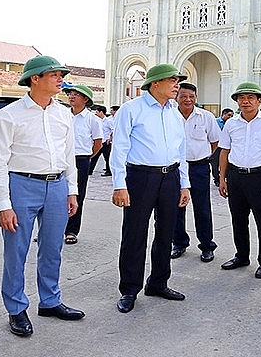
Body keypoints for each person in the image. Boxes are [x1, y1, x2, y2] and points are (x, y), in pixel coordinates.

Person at [0, 56, 84, 338]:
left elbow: (69, 155)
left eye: (61, 75)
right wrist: (4, 205)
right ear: (34, 78)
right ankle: (16, 307)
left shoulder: (64, 113)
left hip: (56, 185)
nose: (61, 80)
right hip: (21, 184)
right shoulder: (8, 115)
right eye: (54, 75)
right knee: (16, 250)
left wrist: (72, 189)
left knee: (52, 247)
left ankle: (50, 300)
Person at [111, 63, 191, 313]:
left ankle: (158, 282)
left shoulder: (174, 113)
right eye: (172, 80)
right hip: (140, 177)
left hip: (170, 177)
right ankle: (129, 289)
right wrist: (119, 185)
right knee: (135, 234)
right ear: (155, 83)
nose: (177, 85)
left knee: (166, 232)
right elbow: (119, 148)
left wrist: (184, 184)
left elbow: (181, 151)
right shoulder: (131, 109)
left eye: (178, 80)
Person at [218, 82, 261, 280]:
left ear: (259, 100)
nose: (245, 101)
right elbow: (224, 151)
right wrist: (222, 178)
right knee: (238, 219)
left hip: (260, 176)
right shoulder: (231, 124)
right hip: (236, 176)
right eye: (241, 98)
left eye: (250, 98)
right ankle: (241, 256)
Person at [171, 82, 221, 263]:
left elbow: (215, 142)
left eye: (191, 97)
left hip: (199, 167)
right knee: (177, 206)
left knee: (202, 207)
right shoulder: (170, 115)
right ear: (177, 97)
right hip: (175, 168)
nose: (187, 100)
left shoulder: (206, 117)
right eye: (183, 96)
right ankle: (179, 242)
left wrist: (206, 158)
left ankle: (207, 245)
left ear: (196, 98)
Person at [63, 84, 103, 245]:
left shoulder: (93, 119)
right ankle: (53, 230)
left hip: (81, 160)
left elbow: (98, 144)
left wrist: (86, 158)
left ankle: (71, 230)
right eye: (70, 94)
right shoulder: (63, 115)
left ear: (85, 99)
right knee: (55, 195)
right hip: (62, 160)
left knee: (77, 195)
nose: (71, 97)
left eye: (75, 95)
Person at [211, 108, 234, 186]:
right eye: (229, 115)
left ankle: (225, 177)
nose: (230, 117)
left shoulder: (231, 123)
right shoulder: (215, 122)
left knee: (226, 162)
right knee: (215, 163)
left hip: (226, 147)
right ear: (223, 114)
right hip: (217, 146)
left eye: (232, 116)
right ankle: (217, 179)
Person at [89, 105, 113, 176]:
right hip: (99, 142)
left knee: (107, 158)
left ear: (101, 112)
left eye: (97, 112)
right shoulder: (97, 120)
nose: (95, 113)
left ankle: (109, 171)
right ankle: (89, 171)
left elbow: (113, 129)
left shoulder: (108, 121)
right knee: (94, 156)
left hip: (106, 143)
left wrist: (110, 138)